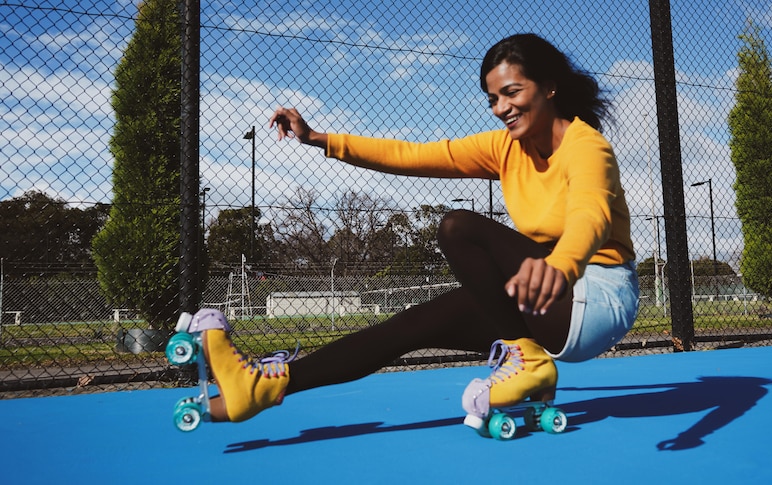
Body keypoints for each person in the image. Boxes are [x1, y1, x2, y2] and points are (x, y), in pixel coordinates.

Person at [194, 33, 639, 427]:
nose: (501, 108)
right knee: (413, 324)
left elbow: (591, 214)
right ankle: (261, 387)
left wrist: (562, 264)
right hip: (543, 293)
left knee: (458, 228)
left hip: (597, 297)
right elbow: (411, 155)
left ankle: (526, 357)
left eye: (512, 93)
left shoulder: (587, 147)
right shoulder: (504, 148)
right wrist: (320, 139)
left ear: (550, 87)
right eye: (492, 99)